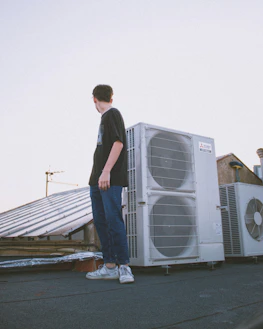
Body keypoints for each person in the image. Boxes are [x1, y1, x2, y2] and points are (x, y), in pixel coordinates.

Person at [86, 84, 134, 284]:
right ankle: (110, 266)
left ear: (94, 99)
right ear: (111, 98)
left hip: (108, 178)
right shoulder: (105, 118)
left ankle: (124, 267)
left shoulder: (112, 114)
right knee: (101, 221)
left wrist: (106, 172)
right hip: (96, 180)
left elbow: (118, 143)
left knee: (113, 220)